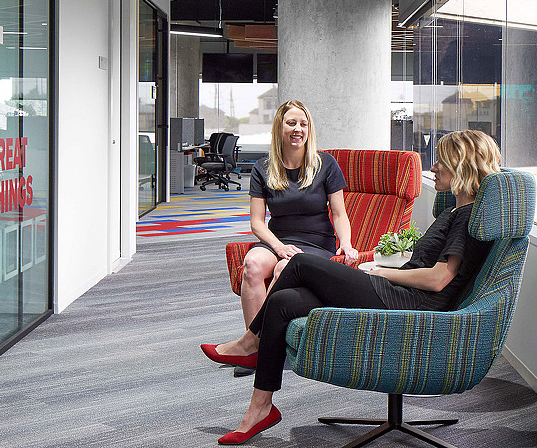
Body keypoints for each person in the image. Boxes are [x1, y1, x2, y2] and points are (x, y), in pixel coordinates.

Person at [203, 129, 501, 445]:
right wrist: (386, 265)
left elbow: (439, 278)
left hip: (409, 306)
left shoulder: (467, 216)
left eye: (441, 162)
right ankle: (261, 408)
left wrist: (383, 274)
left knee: (300, 264)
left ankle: (250, 342)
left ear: (460, 166)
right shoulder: (454, 210)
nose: (434, 168)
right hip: (399, 295)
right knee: (284, 301)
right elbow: (425, 264)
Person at [202, 100, 358, 369]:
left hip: (317, 242)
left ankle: (255, 344)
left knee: (284, 269)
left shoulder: (325, 164)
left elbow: (339, 214)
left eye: (303, 124)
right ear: (279, 127)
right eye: (291, 123)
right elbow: (257, 223)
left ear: (309, 129)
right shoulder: (263, 168)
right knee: (251, 265)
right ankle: (260, 349)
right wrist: (279, 245)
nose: (298, 129)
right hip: (277, 239)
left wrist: (346, 243)